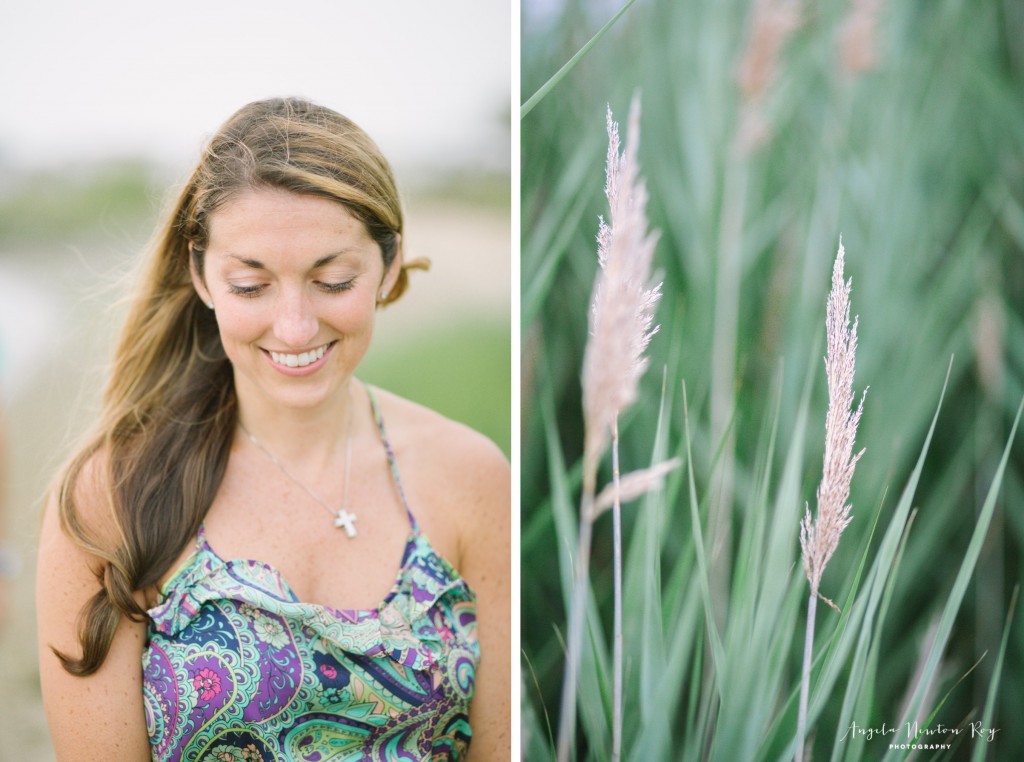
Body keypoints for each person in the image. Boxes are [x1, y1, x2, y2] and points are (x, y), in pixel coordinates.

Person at [36, 97, 510, 761]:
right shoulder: (110, 499)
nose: (294, 326)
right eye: (251, 286)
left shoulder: (473, 478)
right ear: (201, 274)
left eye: (332, 280)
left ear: (389, 265)